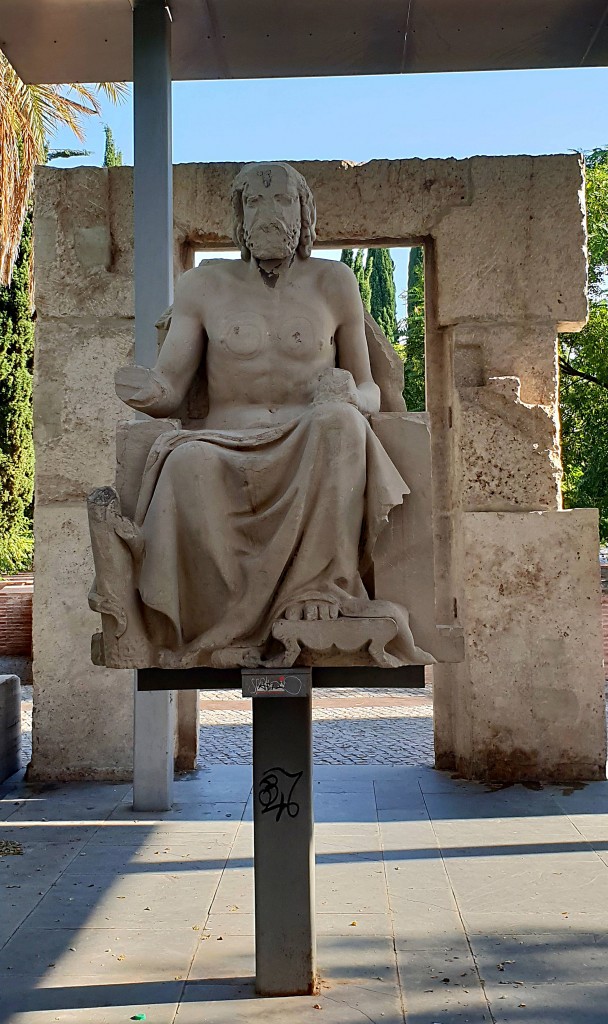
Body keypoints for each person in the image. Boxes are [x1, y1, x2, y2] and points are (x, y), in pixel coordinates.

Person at [111, 161, 431, 666]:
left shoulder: (335, 283)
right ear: (239, 217)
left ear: (304, 212)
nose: (269, 212)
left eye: (282, 200)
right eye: (255, 202)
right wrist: (146, 390)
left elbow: (370, 387)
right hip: (224, 440)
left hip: (311, 440)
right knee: (184, 464)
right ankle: (224, 624)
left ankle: (319, 590)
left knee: (342, 423)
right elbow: (170, 386)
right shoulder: (204, 286)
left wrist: (352, 396)